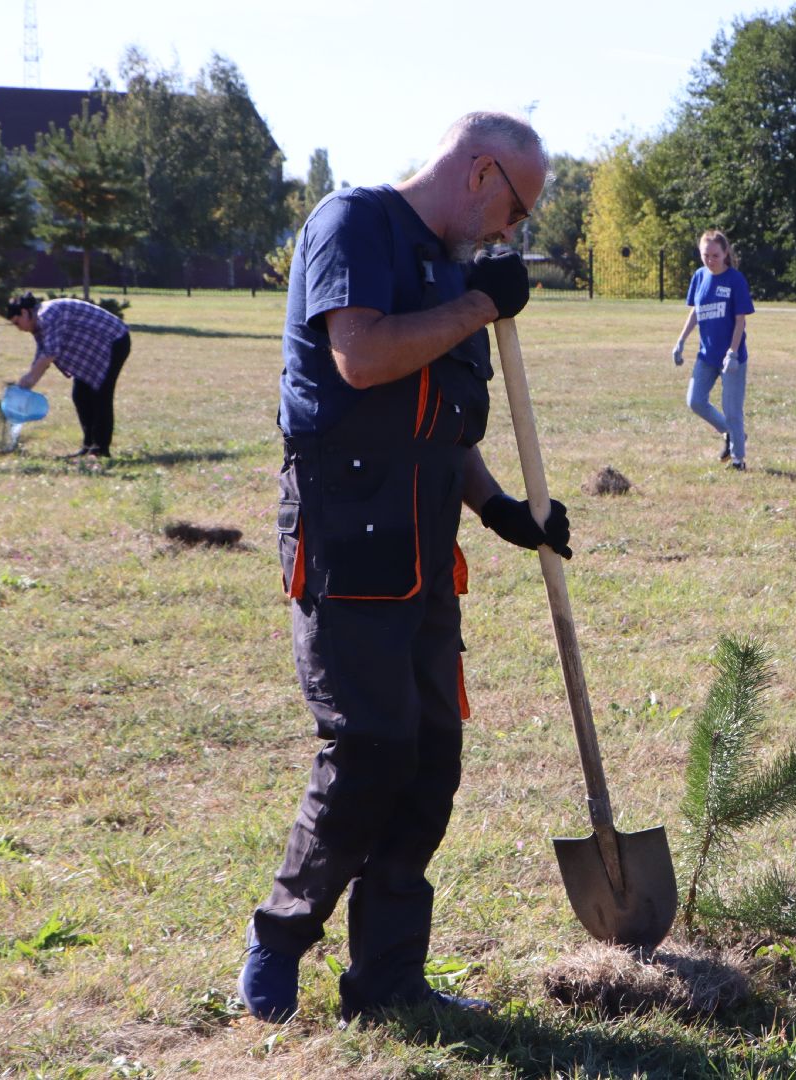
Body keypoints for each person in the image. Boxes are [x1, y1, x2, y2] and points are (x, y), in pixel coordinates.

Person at [240, 112, 570, 1025]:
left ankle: (386, 981)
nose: (512, 230)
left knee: (429, 762)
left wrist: (500, 507)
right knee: (369, 749)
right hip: (347, 540)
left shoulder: (458, 269)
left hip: (426, 551)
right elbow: (363, 356)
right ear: (479, 170)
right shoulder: (354, 226)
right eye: (516, 206)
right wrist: (479, 304)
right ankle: (279, 937)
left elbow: (440, 424)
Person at [4, 293, 132, 458]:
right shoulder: (38, 322)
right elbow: (42, 355)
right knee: (80, 395)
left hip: (113, 340)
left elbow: (49, 355)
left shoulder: (47, 316)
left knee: (101, 394)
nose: (19, 328)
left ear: (24, 312)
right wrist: (26, 382)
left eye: (17, 323)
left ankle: (101, 449)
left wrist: (27, 381)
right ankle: (89, 446)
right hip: (93, 349)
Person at [671, 230, 755, 470]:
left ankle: (738, 459)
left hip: (731, 357)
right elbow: (696, 311)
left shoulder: (735, 280)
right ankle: (730, 434)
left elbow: (740, 320)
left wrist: (733, 353)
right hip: (706, 355)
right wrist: (681, 341)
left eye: (715, 255)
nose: (710, 260)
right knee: (695, 400)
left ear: (725, 252)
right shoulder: (699, 277)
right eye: (705, 255)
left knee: (732, 411)